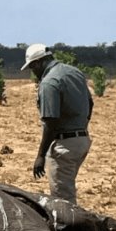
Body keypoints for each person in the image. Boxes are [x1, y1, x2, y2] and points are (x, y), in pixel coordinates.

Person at [21, 43, 93, 205]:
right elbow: (90, 103)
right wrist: (80, 126)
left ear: (38, 63)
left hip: (64, 146)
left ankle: (72, 229)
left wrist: (40, 156)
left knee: (63, 201)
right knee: (68, 188)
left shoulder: (49, 83)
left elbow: (50, 123)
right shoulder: (74, 72)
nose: (33, 72)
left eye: (33, 68)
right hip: (82, 140)